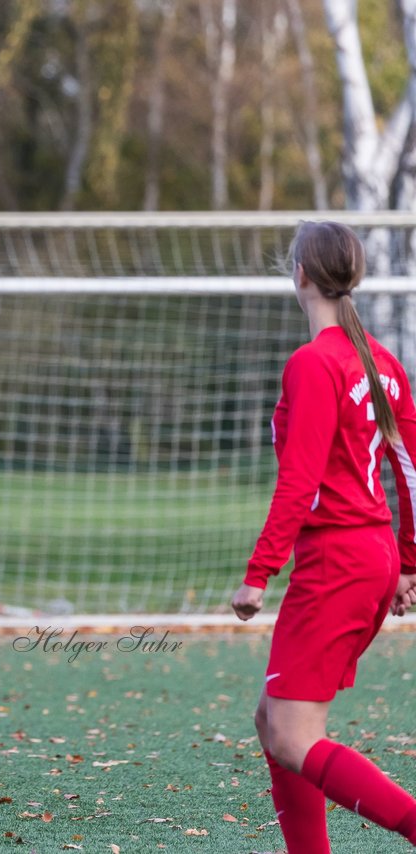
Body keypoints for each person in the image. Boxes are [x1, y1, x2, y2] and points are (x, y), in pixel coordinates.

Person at [232, 220, 416, 851]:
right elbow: (410, 469)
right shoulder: (383, 364)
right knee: (276, 722)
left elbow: (300, 484)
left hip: (338, 561)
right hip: (372, 556)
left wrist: (259, 574)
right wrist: (409, 563)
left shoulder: (315, 363)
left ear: (300, 275)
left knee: (291, 735)